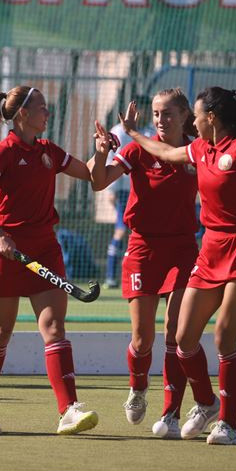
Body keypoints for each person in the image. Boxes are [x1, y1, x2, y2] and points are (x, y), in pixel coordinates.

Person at [121, 86, 236, 445]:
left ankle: (227, 424)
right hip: (210, 251)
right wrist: (131, 133)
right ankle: (206, 403)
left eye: (197, 116)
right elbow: (164, 151)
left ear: (211, 118)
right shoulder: (200, 149)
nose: (192, 121)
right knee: (183, 338)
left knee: (223, 338)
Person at [0, 86, 99, 436]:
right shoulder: (4, 152)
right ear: (23, 113)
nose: (48, 114)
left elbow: (89, 173)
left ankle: (68, 410)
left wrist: (102, 151)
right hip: (6, 253)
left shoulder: (49, 150)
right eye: (42, 108)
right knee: (0, 332)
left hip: (45, 250)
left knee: (54, 328)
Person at [91, 88, 199, 439]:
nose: (160, 120)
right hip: (142, 249)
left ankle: (171, 413)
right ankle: (138, 388)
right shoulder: (137, 149)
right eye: (155, 113)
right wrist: (102, 152)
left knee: (176, 333)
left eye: (167, 113)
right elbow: (98, 182)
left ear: (185, 116)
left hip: (182, 249)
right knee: (142, 338)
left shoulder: (196, 152)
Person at [103, 94, 153, 289]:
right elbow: (111, 160)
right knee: (121, 231)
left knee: (141, 232)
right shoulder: (119, 132)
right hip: (124, 191)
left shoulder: (149, 131)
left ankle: (140, 273)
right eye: (147, 109)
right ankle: (110, 276)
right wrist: (112, 190)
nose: (148, 114)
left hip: (145, 191)